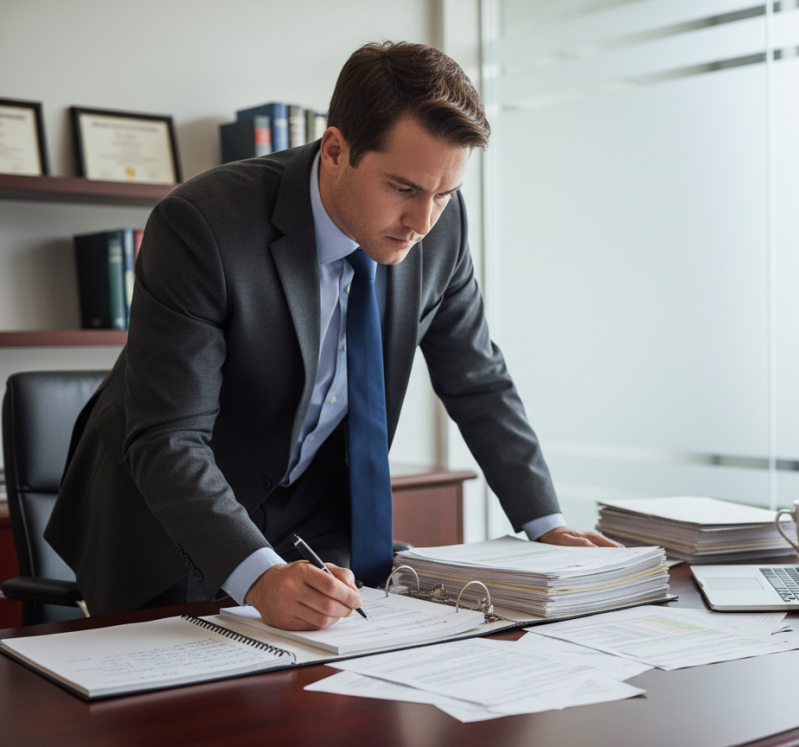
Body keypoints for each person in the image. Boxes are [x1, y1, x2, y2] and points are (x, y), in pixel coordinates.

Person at [46, 41, 617, 630]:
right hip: (166, 518)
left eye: (444, 194)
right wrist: (258, 575)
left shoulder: (440, 231)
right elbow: (167, 439)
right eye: (403, 188)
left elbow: (477, 379)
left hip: (308, 515)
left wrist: (544, 525)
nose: (423, 223)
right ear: (337, 149)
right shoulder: (202, 226)